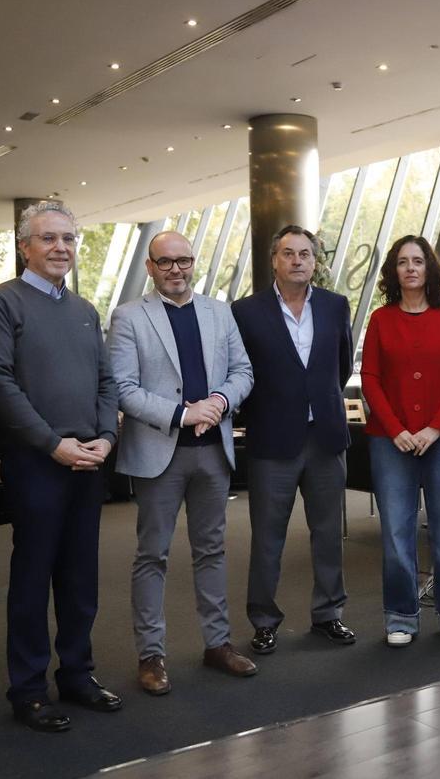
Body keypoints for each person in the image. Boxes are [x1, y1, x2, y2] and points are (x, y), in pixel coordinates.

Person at [0, 201, 122, 733]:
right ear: (25, 246)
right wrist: (51, 443)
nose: (60, 247)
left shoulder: (85, 310)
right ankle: (30, 689)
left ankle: (78, 675)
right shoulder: (1, 301)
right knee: (33, 577)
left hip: (89, 461)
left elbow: (106, 383)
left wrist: (107, 438)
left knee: (81, 577)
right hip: (37, 462)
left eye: (68, 238)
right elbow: (0, 383)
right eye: (48, 239)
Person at [107, 230, 256, 696]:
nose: (176, 269)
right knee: (153, 554)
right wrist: (182, 414)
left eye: (184, 260)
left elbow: (243, 372)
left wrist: (217, 401)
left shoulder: (219, 312)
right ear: (150, 267)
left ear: (194, 264)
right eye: (165, 262)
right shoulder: (129, 317)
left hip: (213, 452)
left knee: (211, 550)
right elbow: (124, 388)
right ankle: (151, 655)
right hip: (159, 454)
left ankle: (218, 644)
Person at [232, 225, 356, 656]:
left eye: (305, 253)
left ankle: (328, 614)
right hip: (272, 441)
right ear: (274, 260)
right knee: (268, 537)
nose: (298, 260)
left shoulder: (337, 306)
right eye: (289, 253)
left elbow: (340, 368)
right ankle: (264, 621)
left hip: (324, 436)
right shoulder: (245, 312)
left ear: (315, 260)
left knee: (327, 533)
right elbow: (240, 372)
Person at [360, 235, 440, 647]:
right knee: (397, 531)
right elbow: (371, 380)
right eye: (402, 262)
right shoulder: (380, 320)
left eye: (418, 261)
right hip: (391, 441)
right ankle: (400, 617)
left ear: (429, 268)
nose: (410, 268)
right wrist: (397, 430)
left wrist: (433, 429)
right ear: (393, 272)